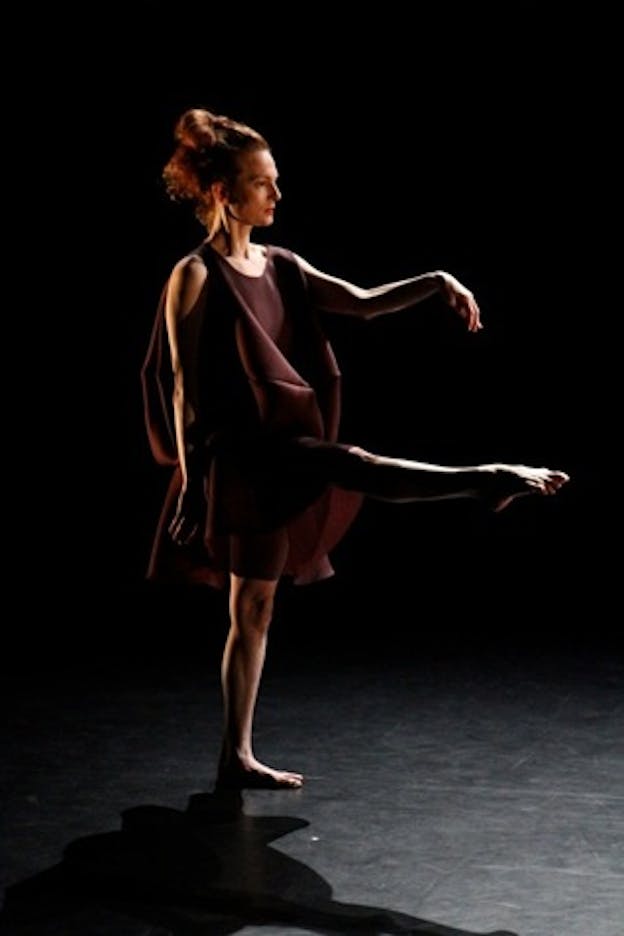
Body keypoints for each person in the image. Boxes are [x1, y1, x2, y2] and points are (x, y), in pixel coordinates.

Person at [141, 107, 569, 791]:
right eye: (262, 183)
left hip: (286, 446)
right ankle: (487, 479)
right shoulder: (193, 276)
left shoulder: (280, 263)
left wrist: (435, 280)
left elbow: (364, 302)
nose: (277, 195)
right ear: (223, 192)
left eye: (276, 181)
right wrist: (192, 489)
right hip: (237, 463)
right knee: (259, 597)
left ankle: (234, 755)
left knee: (300, 546)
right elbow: (184, 392)